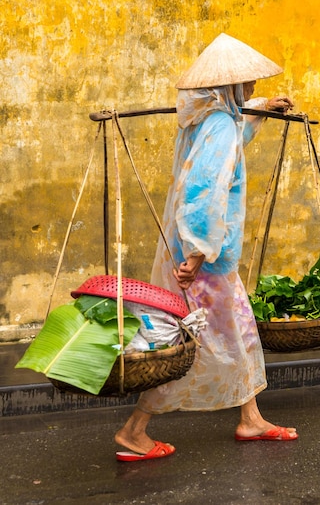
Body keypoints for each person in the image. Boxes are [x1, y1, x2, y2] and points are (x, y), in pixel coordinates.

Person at [115, 33, 298, 461]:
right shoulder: (217, 125)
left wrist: (261, 108)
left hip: (205, 255)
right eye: (246, 85)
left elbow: (233, 133)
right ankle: (133, 429)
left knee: (233, 335)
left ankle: (250, 417)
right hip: (206, 260)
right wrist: (198, 254)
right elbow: (203, 191)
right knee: (190, 339)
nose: (250, 88)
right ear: (227, 88)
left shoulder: (207, 117)